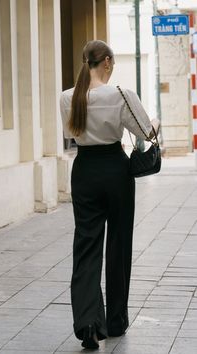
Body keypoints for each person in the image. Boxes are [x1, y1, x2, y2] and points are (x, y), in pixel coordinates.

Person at [60, 40, 160, 350]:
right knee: (118, 243)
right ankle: (115, 320)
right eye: (112, 63)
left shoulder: (67, 98)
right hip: (116, 171)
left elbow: (69, 134)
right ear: (106, 62)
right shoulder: (121, 94)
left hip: (85, 170)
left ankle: (89, 322)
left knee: (86, 244)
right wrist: (156, 121)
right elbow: (147, 132)